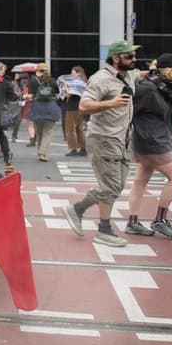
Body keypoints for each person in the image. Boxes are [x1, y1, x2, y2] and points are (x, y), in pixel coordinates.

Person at [62, 40, 141, 248]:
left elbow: (142, 74)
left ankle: (78, 209)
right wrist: (111, 103)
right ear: (115, 58)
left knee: (116, 185)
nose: (134, 59)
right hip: (103, 138)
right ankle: (103, 229)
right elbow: (84, 105)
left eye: (134, 56)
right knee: (110, 185)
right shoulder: (101, 79)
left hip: (120, 138)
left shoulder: (129, 74)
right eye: (129, 56)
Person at [124, 54, 172, 238]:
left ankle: (132, 222)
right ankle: (160, 220)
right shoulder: (148, 88)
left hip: (150, 139)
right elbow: (130, 110)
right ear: (168, 70)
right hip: (152, 140)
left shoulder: (164, 87)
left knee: (140, 181)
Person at [25, 63, 61, 162]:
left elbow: (30, 96)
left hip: (37, 109)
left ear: (37, 70)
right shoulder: (52, 81)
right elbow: (57, 96)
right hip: (51, 109)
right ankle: (43, 152)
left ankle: (41, 152)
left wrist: (25, 97)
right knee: (47, 132)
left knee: (39, 132)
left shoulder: (33, 80)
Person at [59, 66, 88, 156]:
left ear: (78, 73)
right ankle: (83, 148)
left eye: (73, 73)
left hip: (72, 107)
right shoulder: (83, 82)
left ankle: (73, 148)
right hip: (80, 107)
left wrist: (65, 84)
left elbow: (69, 94)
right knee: (79, 128)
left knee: (70, 128)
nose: (71, 75)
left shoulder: (75, 82)